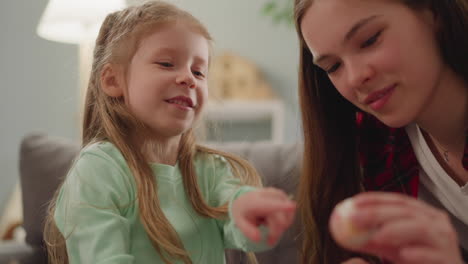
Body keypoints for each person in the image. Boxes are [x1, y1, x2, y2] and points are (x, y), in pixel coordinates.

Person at [42, 1, 296, 264]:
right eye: (166, 63)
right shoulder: (99, 170)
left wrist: (251, 213)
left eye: (199, 71)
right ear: (112, 80)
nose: (189, 78)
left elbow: (247, 231)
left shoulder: (210, 169)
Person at [292, 0, 468, 263]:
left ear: (433, 12)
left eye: (369, 40)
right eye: (333, 67)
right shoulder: (376, 142)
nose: (353, 78)